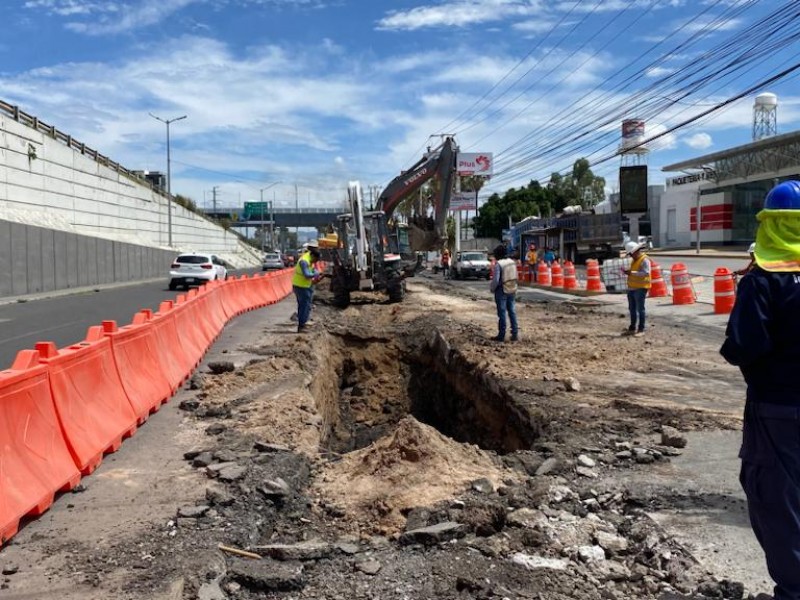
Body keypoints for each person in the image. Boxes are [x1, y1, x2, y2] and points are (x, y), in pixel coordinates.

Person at [720, 180, 800, 600]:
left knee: (778, 502)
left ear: (769, 224)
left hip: (779, 408)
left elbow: (742, 346)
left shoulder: (764, 280)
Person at [292, 240, 323, 333]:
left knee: (306, 305)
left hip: (305, 285)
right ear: (313, 255)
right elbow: (306, 274)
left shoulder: (309, 258)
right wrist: (315, 273)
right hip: (301, 286)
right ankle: (302, 326)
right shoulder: (304, 261)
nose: (315, 262)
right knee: (304, 306)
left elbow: (310, 271)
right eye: (315, 260)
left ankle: (304, 322)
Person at [490, 244, 519, 342]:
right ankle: (515, 334)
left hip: (502, 290)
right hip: (512, 288)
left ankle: (501, 335)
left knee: (502, 313)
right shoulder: (512, 262)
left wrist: (492, 289)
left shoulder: (499, 264)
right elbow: (516, 275)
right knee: (512, 311)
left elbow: (496, 280)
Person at [622, 240, 651, 336]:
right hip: (632, 288)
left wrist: (632, 273)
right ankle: (632, 327)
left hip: (641, 288)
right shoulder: (634, 260)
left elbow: (646, 272)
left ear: (635, 251)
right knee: (632, 308)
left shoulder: (644, 259)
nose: (631, 256)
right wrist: (628, 271)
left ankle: (641, 329)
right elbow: (635, 271)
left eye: (631, 254)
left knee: (640, 309)